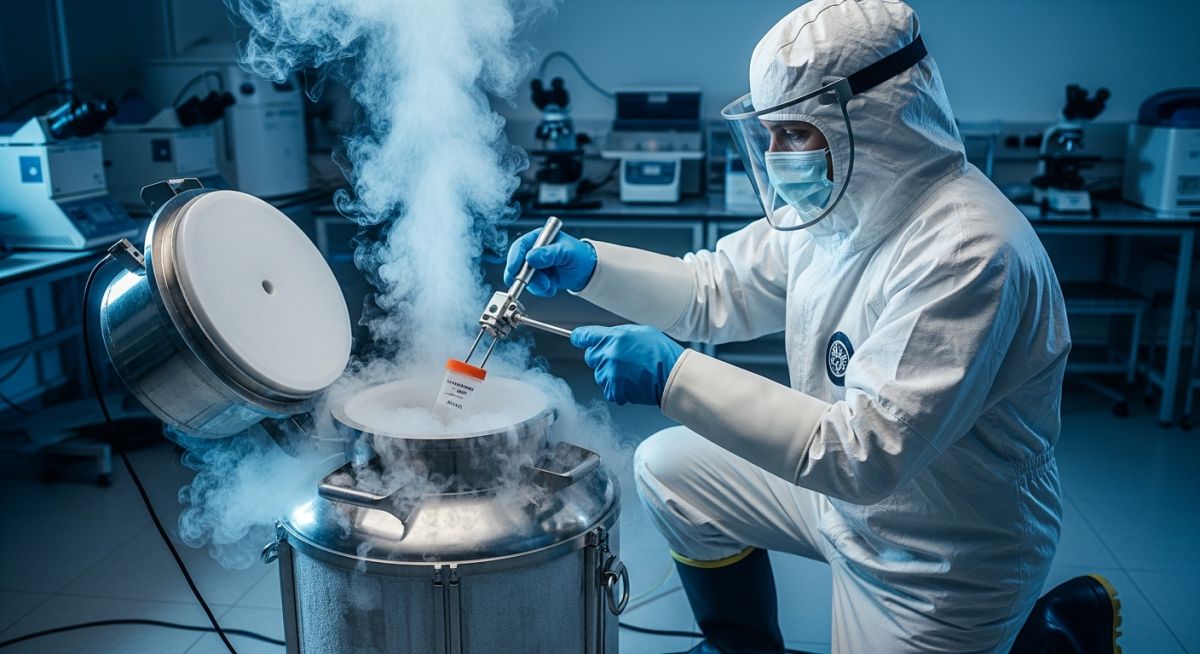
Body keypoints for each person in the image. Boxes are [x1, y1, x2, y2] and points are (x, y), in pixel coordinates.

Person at [506, 1, 1120, 652]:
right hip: (844, 500)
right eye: (769, 134)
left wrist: (671, 375)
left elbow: (864, 452)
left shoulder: (968, 252)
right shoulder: (839, 207)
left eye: (794, 132)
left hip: (942, 551)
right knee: (670, 469)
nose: (776, 158)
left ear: (872, 121)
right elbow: (716, 289)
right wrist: (591, 267)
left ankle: (1059, 631)